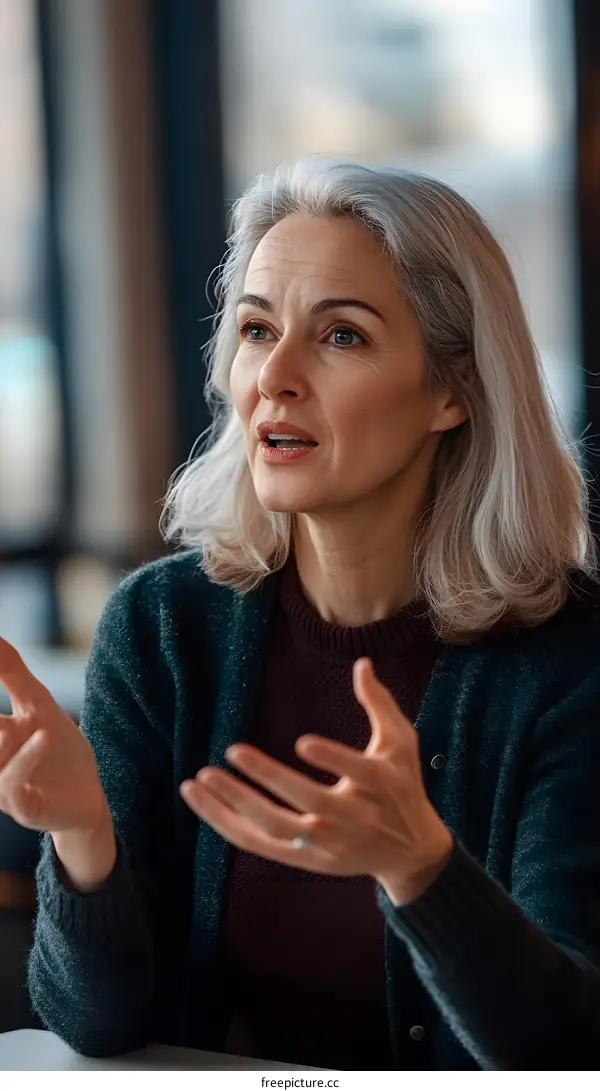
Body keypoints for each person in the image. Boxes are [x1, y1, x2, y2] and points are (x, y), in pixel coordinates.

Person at [1, 156, 600, 1071]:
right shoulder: (163, 628)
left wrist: (422, 869)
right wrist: (83, 837)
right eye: (254, 329)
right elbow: (98, 1024)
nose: (273, 376)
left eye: (342, 337)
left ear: (456, 391)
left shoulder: (570, 662)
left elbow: (567, 1050)